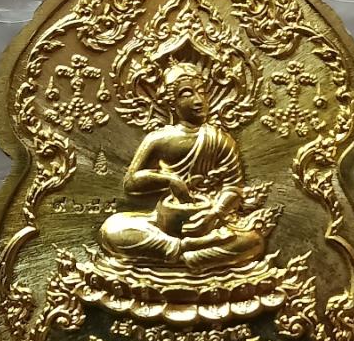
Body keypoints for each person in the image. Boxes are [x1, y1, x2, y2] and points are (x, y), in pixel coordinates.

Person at [99, 62, 266, 272]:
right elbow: (131, 183)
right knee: (112, 229)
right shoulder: (158, 139)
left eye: (202, 92)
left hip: (209, 223)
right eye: (187, 94)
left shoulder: (220, 139)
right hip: (164, 222)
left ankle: (176, 253)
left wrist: (214, 214)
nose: (198, 100)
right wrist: (168, 179)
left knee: (254, 241)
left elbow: (233, 187)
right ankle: (190, 251)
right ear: (172, 103)